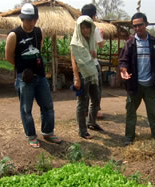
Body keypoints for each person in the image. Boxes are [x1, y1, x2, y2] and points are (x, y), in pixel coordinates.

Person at [5, 3, 61, 148]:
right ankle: (31, 135)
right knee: (26, 109)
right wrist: (21, 68)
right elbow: (8, 56)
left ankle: (48, 132)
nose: (30, 23)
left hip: (40, 76)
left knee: (47, 106)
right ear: (22, 19)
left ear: (36, 19)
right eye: (27, 20)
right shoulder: (14, 35)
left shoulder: (38, 32)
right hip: (24, 80)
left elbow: (38, 50)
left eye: (33, 19)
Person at [119, 12, 155, 146]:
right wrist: (124, 71)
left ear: (146, 24)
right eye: (135, 26)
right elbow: (123, 61)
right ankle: (129, 138)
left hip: (150, 85)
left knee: (154, 114)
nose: (138, 28)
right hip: (134, 86)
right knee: (130, 114)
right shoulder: (130, 43)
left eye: (140, 25)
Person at [70, 15, 101, 139]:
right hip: (82, 74)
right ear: (79, 28)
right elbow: (73, 61)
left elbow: (92, 56)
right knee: (82, 103)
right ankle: (82, 131)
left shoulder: (92, 39)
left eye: (87, 27)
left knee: (96, 99)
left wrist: (93, 54)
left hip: (93, 72)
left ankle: (91, 122)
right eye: (82, 28)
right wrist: (76, 78)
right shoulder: (76, 42)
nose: (85, 30)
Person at [81, 4, 105, 122]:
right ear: (94, 16)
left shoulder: (79, 29)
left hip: (82, 65)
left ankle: (84, 115)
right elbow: (100, 45)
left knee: (83, 94)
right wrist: (101, 35)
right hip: (93, 65)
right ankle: (92, 119)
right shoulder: (94, 29)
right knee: (96, 93)